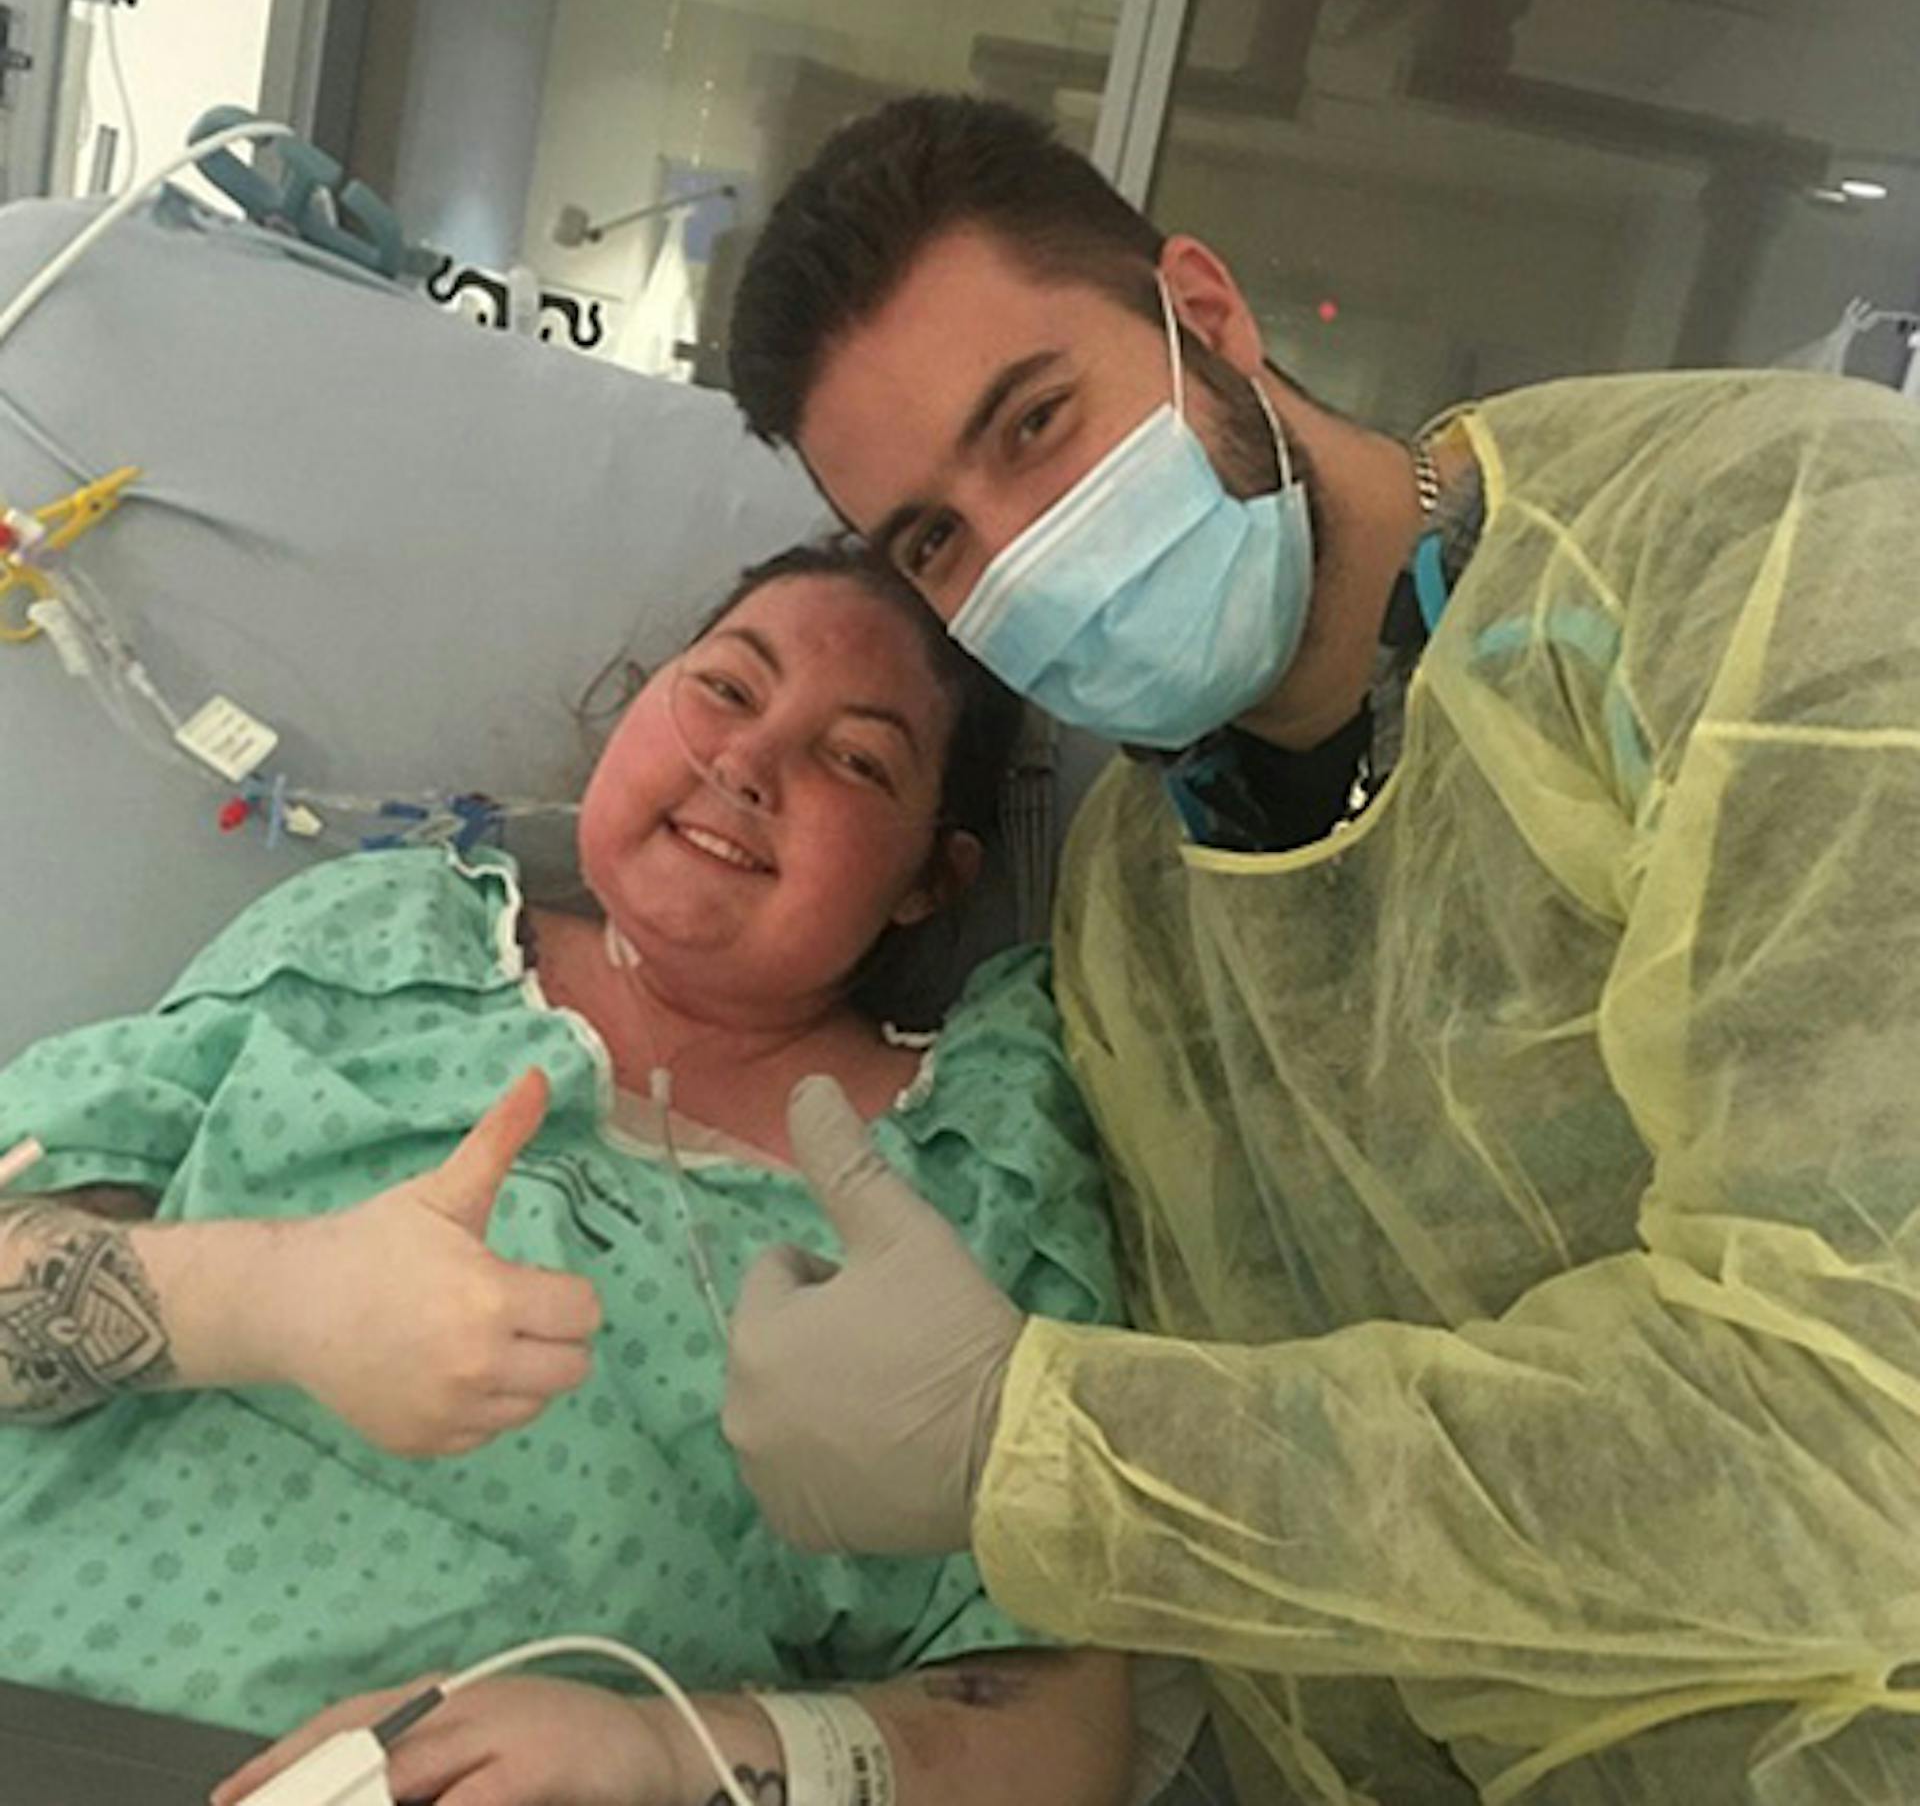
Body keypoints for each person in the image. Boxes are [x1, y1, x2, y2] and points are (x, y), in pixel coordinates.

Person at [714, 92, 1920, 1804]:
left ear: (1202, 315)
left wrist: (1043, 1451)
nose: (1022, 559)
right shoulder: (1137, 913)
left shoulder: (1777, 548)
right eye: (935, 540)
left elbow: (1862, 1429)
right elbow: (1291, 1629)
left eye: (1039, 425)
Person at [0, 541, 1137, 1806]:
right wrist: (269, 1299)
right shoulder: (378, 936)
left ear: (934, 876)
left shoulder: (977, 1177)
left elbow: (1060, 1724)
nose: (747, 765)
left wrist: (668, 1751)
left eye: (856, 759)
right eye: (726, 689)